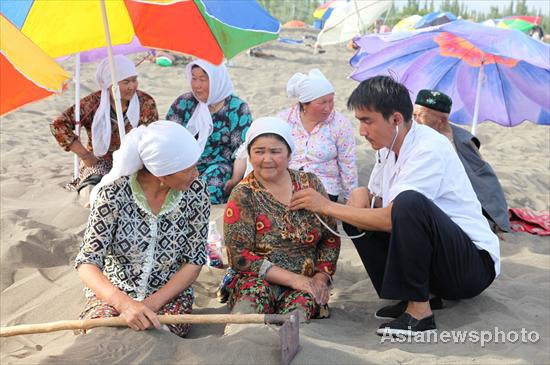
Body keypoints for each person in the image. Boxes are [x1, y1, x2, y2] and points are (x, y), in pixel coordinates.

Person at [289, 76, 500, 336]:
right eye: (359, 122)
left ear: (396, 119)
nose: (362, 131)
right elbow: (377, 202)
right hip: (439, 265)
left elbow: (394, 215)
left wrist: (326, 206)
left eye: (368, 121)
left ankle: (420, 313)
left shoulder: (429, 148)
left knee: (408, 203)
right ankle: (417, 294)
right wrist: (360, 195)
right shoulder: (387, 148)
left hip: (471, 267)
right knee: (359, 209)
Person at [76, 121, 210, 338]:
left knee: (161, 336)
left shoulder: (197, 192)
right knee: (100, 336)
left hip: (169, 296)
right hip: (113, 294)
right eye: (189, 169)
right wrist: (125, 304)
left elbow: (193, 261)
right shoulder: (113, 193)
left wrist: (149, 305)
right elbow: (87, 262)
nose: (196, 174)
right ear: (161, 173)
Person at [223, 117, 341, 321]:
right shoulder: (244, 194)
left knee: (298, 313)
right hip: (257, 279)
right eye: (259, 151)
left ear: (288, 154)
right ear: (250, 156)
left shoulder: (309, 184)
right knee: (250, 306)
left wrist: (320, 278)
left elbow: (330, 238)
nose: (267, 159)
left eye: (275, 151)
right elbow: (239, 256)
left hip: (306, 280)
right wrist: (293, 279)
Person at [51, 55, 158, 192]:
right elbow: (58, 125)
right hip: (100, 162)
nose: (132, 86)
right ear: (109, 83)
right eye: (126, 82)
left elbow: (152, 137)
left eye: (134, 80)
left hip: (136, 163)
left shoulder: (146, 102)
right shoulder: (92, 104)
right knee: (92, 189)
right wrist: (85, 155)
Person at [413, 89, 510, 233]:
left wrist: (496, 219)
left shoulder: (463, 141)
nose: (414, 120)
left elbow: (483, 181)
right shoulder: (415, 135)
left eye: (420, 116)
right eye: (414, 115)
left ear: (442, 121)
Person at [166, 59, 252, 204]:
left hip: (219, 165)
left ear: (217, 81)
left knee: (206, 189)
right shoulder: (184, 102)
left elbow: (241, 150)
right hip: (184, 163)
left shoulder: (237, 108)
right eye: (194, 78)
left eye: (203, 79)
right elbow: (168, 137)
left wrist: (235, 179)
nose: (197, 85)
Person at [278, 68, 358, 202]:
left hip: (325, 187)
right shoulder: (284, 120)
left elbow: (348, 164)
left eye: (331, 101)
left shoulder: (340, 124)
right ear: (305, 104)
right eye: (322, 103)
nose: (328, 108)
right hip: (287, 182)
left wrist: (349, 198)